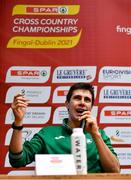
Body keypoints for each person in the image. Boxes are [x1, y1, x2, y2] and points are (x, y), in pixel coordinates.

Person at [9, 83, 120, 173]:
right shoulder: (47, 133)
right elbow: (17, 160)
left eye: (87, 100)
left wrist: (96, 135)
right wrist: (18, 122)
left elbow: (115, 171)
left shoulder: (100, 135)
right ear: (67, 104)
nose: (82, 103)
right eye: (77, 98)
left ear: (91, 107)